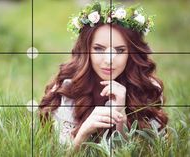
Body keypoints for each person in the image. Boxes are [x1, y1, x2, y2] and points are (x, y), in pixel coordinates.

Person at [38, 1, 168, 150]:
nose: (109, 60)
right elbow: (60, 153)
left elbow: (154, 150)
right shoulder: (68, 88)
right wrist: (83, 133)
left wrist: (121, 119)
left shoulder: (146, 88)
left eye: (120, 51)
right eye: (99, 49)